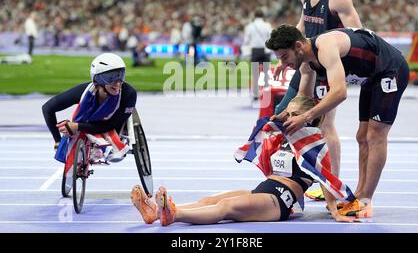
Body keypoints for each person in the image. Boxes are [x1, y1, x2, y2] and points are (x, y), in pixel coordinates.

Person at [130, 96, 359, 226]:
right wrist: (277, 121)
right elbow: (263, 135)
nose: (286, 116)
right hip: (263, 190)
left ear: (307, 117)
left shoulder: (314, 145)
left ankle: (174, 214)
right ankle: (155, 212)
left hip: (278, 200)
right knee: (210, 199)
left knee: (225, 208)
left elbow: (325, 179)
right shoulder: (285, 136)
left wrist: (335, 210)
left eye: (292, 114)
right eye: (286, 112)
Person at [265, 25, 409, 218]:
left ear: (298, 46)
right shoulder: (306, 63)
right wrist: (288, 113)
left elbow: (340, 93)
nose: (284, 63)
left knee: (375, 135)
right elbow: (302, 96)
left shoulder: (326, 47)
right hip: (370, 77)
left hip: (390, 70)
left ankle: (365, 200)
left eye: (284, 57)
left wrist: (306, 117)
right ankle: (359, 194)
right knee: (361, 137)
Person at [274, 0, 362, 201]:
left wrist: (340, 71)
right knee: (283, 114)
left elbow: (359, 36)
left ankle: (332, 185)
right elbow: (301, 28)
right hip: (305, 65)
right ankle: (295, 177)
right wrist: (286, 55)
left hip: (327, 69)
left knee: (326, 125)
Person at [42, 53, 137, 161]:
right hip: (89, 123)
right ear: (98, 81)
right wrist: (57, 140)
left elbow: (107, 127)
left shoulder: (129, 94)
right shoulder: (84, 91)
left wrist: (77, 126)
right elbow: (47, 108)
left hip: (113, 126)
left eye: (120, 75)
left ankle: (106, 147)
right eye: (111, 78)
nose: (118, 83)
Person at [243, 9, 273, 103]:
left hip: (255, 50)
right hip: (265, 50)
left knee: (255, 74)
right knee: (266, 74)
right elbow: (271, 37)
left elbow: (246, 40)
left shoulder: (250, 26)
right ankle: (266, 94)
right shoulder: (267, 25)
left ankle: (255, 95)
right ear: (263, 16)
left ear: (254, 16)